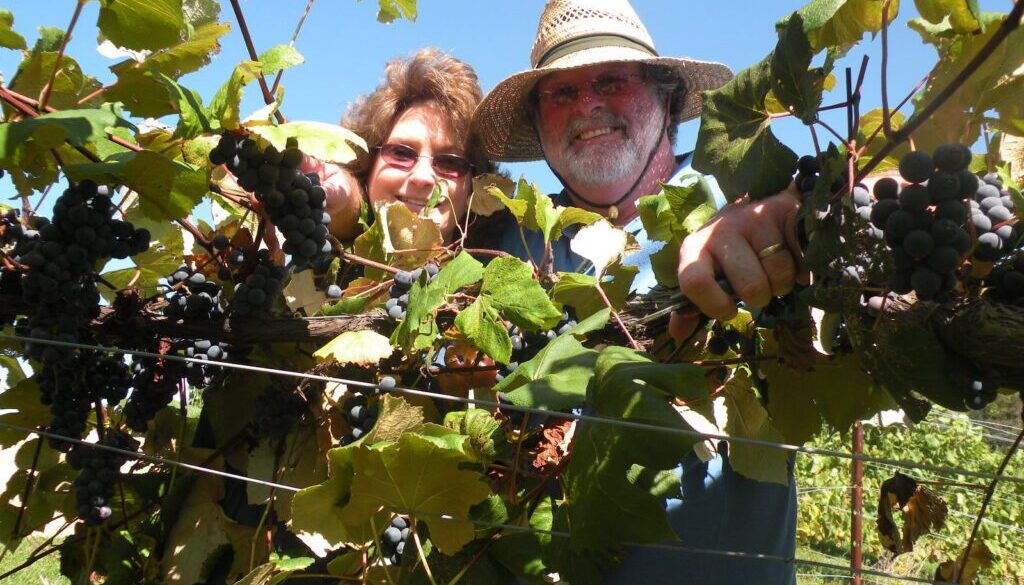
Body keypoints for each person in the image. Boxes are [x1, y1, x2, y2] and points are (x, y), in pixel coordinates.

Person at [471, 0, 800, 582]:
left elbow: (880, 198)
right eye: (561, 93)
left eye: (610, 81)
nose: (588, 105)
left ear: (666, 97)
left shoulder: (739, 197)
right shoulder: (508, 244)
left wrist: (799, 218)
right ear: (538, 124)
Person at [302, 47, 495, 245]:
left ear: (473, 187)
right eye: (401, 153)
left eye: (449, 162)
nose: (422, 177)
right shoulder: (315, 270)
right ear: (368, 166)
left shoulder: (515, 262)